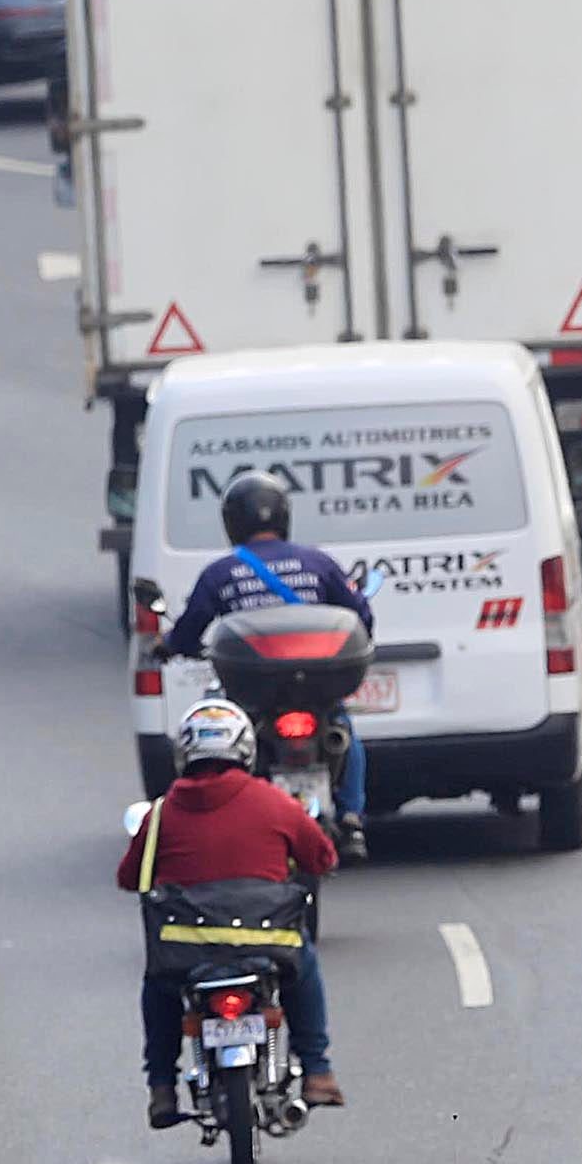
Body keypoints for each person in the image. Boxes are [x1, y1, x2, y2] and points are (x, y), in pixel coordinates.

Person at [120, 698, 343, 1121]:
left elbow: (130, 878)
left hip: (186, 953)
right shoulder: (276, 803)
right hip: (268, 944)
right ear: (245, 750)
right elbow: (323, 858)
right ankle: (318, 1072)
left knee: (158, 988)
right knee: (305, 965)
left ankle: (162, 1087)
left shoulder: (161, 814)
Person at [161, 471, 378, 858]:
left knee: (225, 737)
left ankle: (226, 816)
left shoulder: (220, 573)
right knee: (342, 729)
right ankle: (351, 815)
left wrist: (169, 646)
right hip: (318, 685)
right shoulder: (317, 563)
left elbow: (187, 631)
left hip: (254, 689)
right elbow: (361, 616)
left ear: (232, 522)